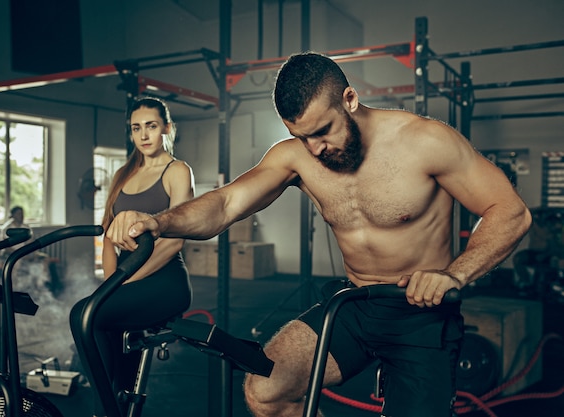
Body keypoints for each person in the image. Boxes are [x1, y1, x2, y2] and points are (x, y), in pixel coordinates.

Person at [106, 52, 532, 417]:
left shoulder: (425, 141)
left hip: (422, 314)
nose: (313, 149)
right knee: (265, 392)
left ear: (350, 99)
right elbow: (226, 204)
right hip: (354, 305)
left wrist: (455, 274)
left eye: (322, 131)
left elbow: (510, 212)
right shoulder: (296, 157)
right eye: (299, 136)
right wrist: (159, 221)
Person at [69, 96, 195, 417]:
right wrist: (112, 282)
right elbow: (110, 238)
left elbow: (175, 240)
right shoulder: (123, 174)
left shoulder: (177, 170)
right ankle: (112, 402)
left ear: (166, 127)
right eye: (136, 128)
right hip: (125, 278)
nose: (143, 135)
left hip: (165, 279)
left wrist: (125, 280)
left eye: (151, 126)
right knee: (91, 319)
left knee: (86, 314)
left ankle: (106, 407)